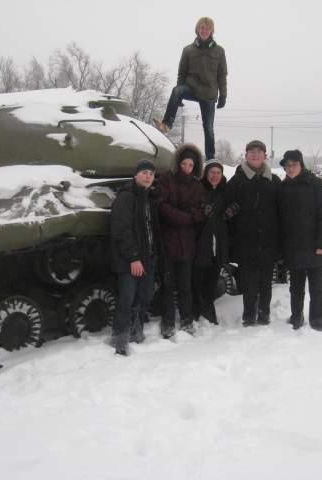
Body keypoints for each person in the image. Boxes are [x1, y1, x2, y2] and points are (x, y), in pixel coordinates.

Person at [153, 17, 228, 161]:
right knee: (176, 91)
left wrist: (223, 95)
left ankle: (210, 158)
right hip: (191, 87)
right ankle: (167, 124)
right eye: (202, 28)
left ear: (212, 31)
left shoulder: (219, 51)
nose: (204, 31)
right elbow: (182, 72)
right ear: (197, 30)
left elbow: (222, 74)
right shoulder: (188, 50)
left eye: (207, 28)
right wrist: (179, 96)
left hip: (209, 93)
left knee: (208, 128)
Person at [225, 140, 281, 326]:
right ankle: (249, 316)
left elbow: (283, 212)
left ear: (265, 156)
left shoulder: (274, 181)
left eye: (259, 152)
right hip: (245, 243)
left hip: (268, 242)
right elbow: (226, 212)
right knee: (248, 283)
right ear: (246, 155)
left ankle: (264, 314)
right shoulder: (236, 181)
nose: (255, 155)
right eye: (252, 152)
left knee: (266, 282)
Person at [278, 150, 322, 331]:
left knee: (316, 287)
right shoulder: (283, 188)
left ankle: (317, 319)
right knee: (295, 287)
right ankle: (296, 316)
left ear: (301, 164)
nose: (290, 168)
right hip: (293, 248)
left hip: (313, 247)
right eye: (287, 165)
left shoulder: (317, 185)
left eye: (294, 164)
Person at [110, 159, 161, 355]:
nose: (148, 176)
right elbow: (121, 230)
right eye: (144, 172)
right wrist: (133, 258)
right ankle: (120, 336)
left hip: (147, 257)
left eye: (151, 174)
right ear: (135, 175)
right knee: (127, 298)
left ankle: (135, 330)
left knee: (144, 296)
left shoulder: (148, 198)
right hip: (129, 259)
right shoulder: (126, 197)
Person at [158, 143, 204, 338]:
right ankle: (168, 321)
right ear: (178, 163)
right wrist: (186, 217)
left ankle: (186, 319)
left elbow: (201, 210)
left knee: (185, 285)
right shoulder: (166, 180)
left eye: (190, 165)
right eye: (184, 164)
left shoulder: (197, 186)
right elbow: (162, 206)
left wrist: (193, 216)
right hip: (168, 241)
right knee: (168, 285)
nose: (187, 168)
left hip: (187, 243)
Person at [192, 160, 229, 325]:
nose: (215, 176)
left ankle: (208, 313)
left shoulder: (225, 191)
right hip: (200, 244)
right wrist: (201, 211)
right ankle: (196, 313)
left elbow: (232, 210)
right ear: (206, 174)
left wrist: (231, 210)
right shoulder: (198, 190)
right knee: (197, 282)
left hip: (218, 245)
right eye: (212, 172)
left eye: (218, 173)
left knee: (212, 282)